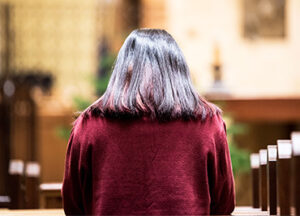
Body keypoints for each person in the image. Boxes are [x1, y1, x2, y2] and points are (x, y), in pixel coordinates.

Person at [62, 29, 235, 215]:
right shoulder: (208, 124)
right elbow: (224, 205)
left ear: (122, 70)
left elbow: (73, 206)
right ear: (178, 71)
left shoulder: (89, 126)